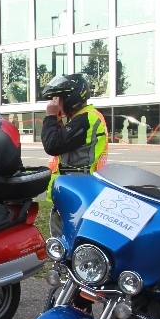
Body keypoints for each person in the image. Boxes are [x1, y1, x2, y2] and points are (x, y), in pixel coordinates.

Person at [40, 73, 108, 235]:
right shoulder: (85, 117)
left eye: (58, 98)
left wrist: (50, 117)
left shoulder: (86, 118)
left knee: (65, 240)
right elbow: (65, 145)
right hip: (78, 189)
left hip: (76, 192)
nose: (54, 103)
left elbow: (52, 145)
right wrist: (57, 122)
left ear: (70, 98)